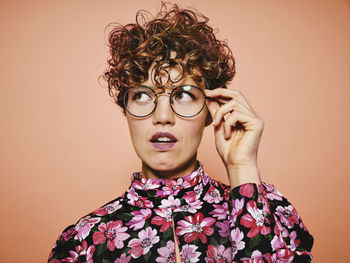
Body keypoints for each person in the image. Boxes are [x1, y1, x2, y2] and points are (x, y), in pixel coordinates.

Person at [48, 2, 314, 262]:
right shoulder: (83, 243)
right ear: (126, 109)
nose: (163, 116)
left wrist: (242, 168)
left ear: (212, 109)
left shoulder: (270, 213)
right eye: (142, 96)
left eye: (184, 95)